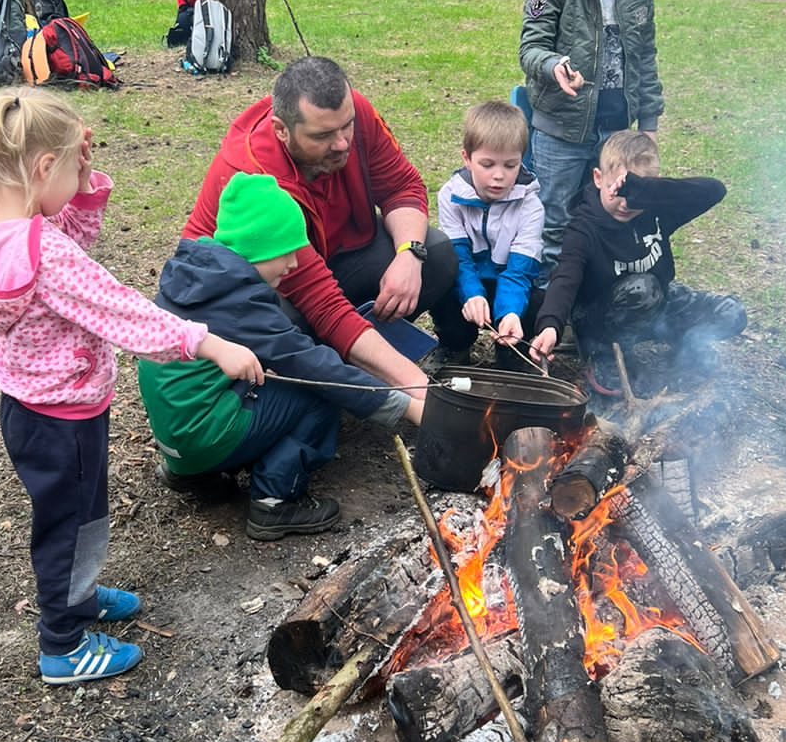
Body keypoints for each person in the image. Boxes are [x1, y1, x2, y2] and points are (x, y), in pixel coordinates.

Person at [0, 88, 262, 686]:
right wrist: (208, 344)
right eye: (71, 169)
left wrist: (86, 182)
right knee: (68, 527)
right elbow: (120, 310)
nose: (78, 178)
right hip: (63, 417)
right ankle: (62, 646)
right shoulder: (44, 252)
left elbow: (65, 246)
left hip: (31, 407)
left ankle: (80, 594)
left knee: (77, 517)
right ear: (44, 167)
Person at [139, 173, 424, 539]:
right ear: (260, 247)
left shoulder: (199, 274)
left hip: (176, 437)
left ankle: (191, 474)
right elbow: (315, 368)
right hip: (202, 434)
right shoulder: (241, 301)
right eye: (286, 251)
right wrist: (404, 405)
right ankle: (275, 501)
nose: (293, 264)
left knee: (259, 375)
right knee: (315, 393)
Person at [183, 56, 456, 389]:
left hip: (332, 257)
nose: (342, 143)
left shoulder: (350, 112)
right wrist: (419, 389)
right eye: (324, 135)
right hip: (259, 290)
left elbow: (402, 187)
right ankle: (322, 382)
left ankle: (350, 365)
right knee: (284, 320)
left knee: (436, 252)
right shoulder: (257, 176)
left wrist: (410, 254)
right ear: (282, 130)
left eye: (347, 126)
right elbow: (320, 301)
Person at [519, 0, 662, 276]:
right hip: (561, 127)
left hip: (616, 128)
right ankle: (548, 315)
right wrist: (554, 64)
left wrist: (648, 121)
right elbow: (530, 48)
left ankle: (594, 303)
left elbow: (645, 56)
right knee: (554, 219)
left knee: (611, 214)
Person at [528, 131, 746, 394]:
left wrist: (647, 191)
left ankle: (686, 351)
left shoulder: (655, 209)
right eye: (617, 191)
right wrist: (550, 325)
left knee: (731, 314)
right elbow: (565, 277)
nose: (625, 203)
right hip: (601, 320)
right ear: (598, 178)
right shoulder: (584, 227)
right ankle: (605, 356)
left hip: (658, 306)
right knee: (644, 288)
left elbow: (714, 190)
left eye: (634, 195)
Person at [432, 100, 544, 365]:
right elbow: (458, 257)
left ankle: (510, 351)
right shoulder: (450, 196)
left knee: (538, 303)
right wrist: (471, 294)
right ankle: (455, 345)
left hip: (508, 281)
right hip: (467, 279)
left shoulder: (531, 206)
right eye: (487, 164)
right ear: (466, 159)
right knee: (438, 280)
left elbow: (520, 270)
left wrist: (510, 312)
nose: (499, 176)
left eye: (510, 165)